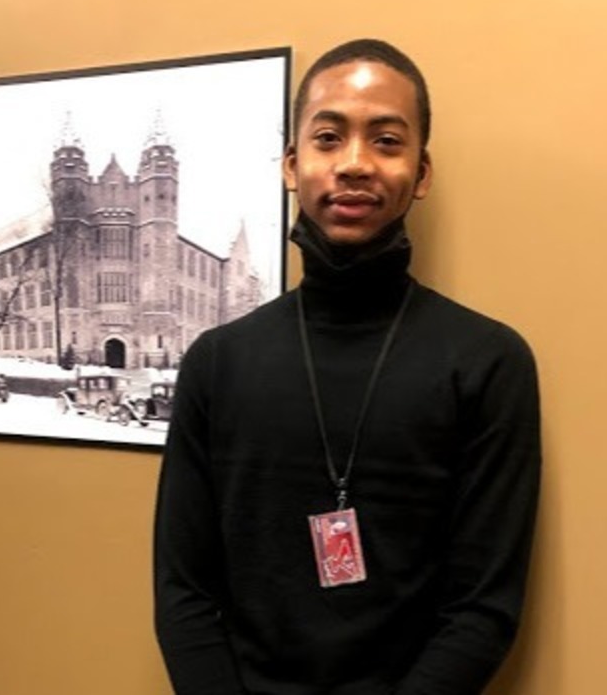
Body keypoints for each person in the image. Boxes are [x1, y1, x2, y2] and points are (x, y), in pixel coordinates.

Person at [154, 39, 541, 695]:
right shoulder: (216, 365)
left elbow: (482, 611)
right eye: (329, 137)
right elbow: (184, 594)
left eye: (387, 141)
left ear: (420, 173)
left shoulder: (488, 363)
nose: (355, 164)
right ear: (291, 164)